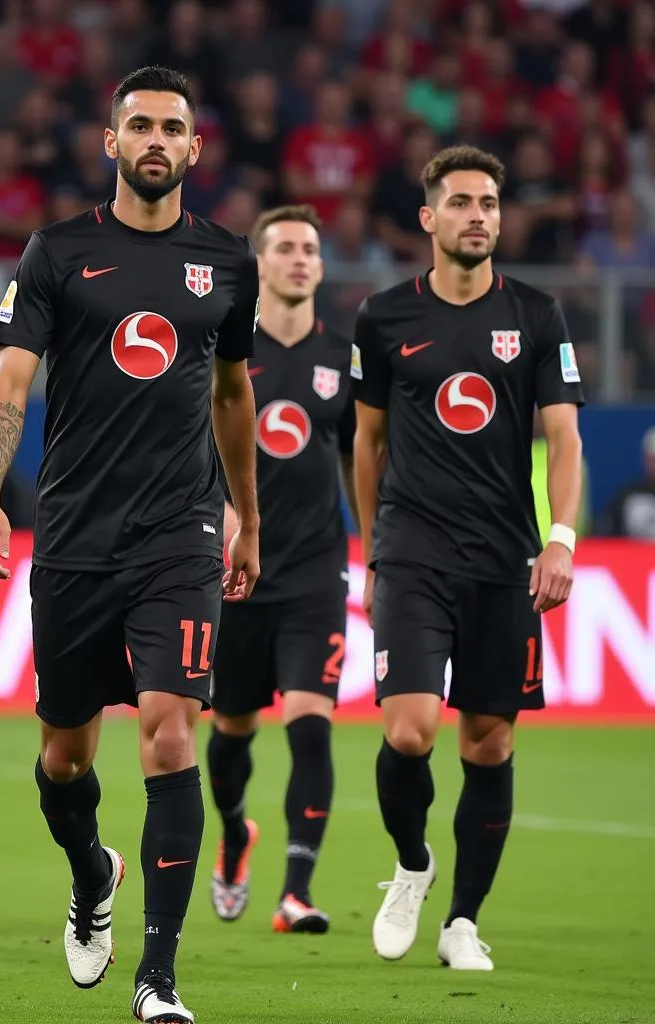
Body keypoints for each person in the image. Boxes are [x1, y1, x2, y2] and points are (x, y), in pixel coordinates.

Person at [0, 66, 260, 1024]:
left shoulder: (226, 262)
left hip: (178, 536)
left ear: (193, 147)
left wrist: (245, 516)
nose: (154, 139)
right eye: (138, 124)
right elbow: (10, 384)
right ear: (110, 142)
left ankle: (160, 978)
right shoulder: (56, 252)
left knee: (171, 733)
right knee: (63, 760)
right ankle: (92, 872)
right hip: (75, 537)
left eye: (171, 127)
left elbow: (231, 394)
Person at [351, 145, 585, 971]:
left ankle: (461, 922)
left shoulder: (537, 314)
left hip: (503, 560)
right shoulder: (384, 317)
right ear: (429, 218)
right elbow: (367, 441)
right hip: (412, 554)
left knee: (488, 744)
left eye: (489, 202)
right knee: (410, 731)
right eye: (461, 203)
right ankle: (412, 861)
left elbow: (563, 437)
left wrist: (560, 537)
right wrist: (375, 542)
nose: (478, 215)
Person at [206, 204, 357, 934]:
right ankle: (235, 833)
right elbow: (198, 454)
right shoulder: (228, 355)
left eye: (310, 249)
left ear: (321, 268)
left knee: (310, 726)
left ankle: (296, 891)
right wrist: (227, 523)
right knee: (231, 731)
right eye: (286, 248)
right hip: (238, 573)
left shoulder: (344, 359)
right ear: (259, 264)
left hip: (315, 573)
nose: (300, 258)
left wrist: (379, 540)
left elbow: (367, 453)